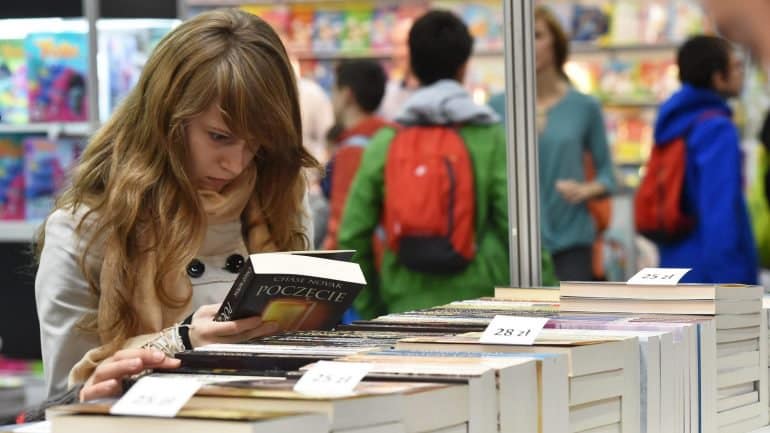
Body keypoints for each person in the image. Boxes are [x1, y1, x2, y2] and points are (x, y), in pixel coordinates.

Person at [33, 8, 317, 406]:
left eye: (256, 145)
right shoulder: (85, 230)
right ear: (166, 115)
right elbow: (65, 401)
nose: (236, 164)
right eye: (219, 136)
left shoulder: (280, 198)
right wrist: (180, 342)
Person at [338, 10, 509, 318]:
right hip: (483, 300)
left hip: (404, 300)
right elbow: (514, 223)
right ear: (464, 66)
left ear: (412, 64)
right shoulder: (490, 137)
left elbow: (353, 233)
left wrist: (372, 307)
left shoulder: (387, 140)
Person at [491, 6, 615, 282]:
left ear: (555, 42)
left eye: (536, 35)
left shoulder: (584, 107)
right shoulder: (496, 107)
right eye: (519, 38)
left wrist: (584, 189)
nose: (528, 46)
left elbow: (609, 176)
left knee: (570, 324)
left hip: (571, 240)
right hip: (513, 243)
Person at [653, 35, 757, 284]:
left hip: (676, 260)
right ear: (717, 77)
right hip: (711, 270)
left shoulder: (675, 120)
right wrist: (732, 284)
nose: (741, 73)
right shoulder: (717, 128)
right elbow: (720, 209)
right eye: (735, 66)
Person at [321, 59, 391, 250]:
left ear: (347, 95)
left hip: (363, 264)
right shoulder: (390, 135)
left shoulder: (352, 150)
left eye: (334, 91)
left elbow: (343, 224)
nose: (332, 98)